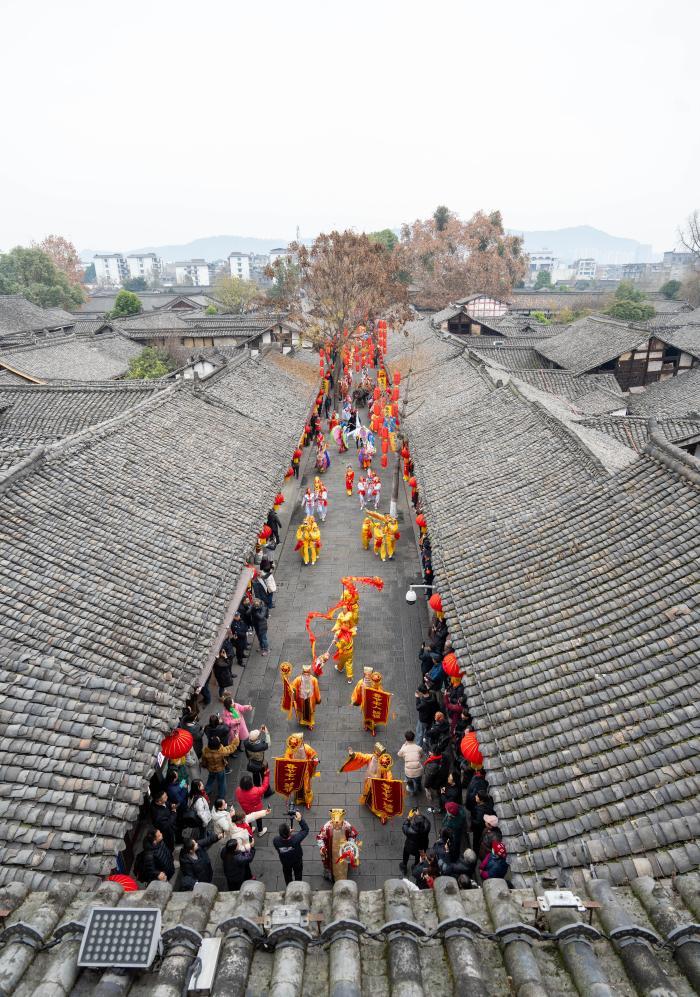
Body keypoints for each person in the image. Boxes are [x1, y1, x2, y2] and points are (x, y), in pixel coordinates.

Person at [316, 808, 359, 882]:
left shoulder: (347, 826)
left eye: (339, 823)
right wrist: (322, 847)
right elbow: (320, 838)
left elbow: (352, 835)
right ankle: (330, 874)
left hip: (343, 849)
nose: (337, 825)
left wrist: (350, 846)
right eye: (335, 823)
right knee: (330, 863)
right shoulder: (327, 827)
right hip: (331, 850)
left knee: (343, 863)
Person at [282, 732, 320, 809]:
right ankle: (298, 799)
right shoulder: (291, 748)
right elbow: (287, 756)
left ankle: (308, 801)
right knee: (297, 785)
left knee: (307, 786)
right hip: (295, 770)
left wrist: (314, 760)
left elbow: (313, 755)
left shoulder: (306, 747)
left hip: (305, 770)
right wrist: (290, 761)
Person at [273, 811, 310, 884]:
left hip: (285, 861)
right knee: (298, 873)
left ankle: (289, 885)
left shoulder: (276, 841)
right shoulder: (296, 839)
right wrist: (300, 820)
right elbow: (305, 830)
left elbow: (283, 841)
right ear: (289, 832)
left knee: (287, 874)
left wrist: (289, 834)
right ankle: (298, 885)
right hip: (297, 860)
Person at [201, 734, 239, 800]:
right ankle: (221, 796)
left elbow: (204, 761)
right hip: (220, 770)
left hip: (211, 769)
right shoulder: (221, 751)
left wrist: (205, 765)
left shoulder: (205, 751)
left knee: (210, 779)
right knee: (222, 782)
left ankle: (206, 791)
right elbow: (231, 748)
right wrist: (236, 739)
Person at [235, 769, 271, 835]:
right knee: (258, 818)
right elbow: (265, 786)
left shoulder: (238, 790)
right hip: (256, 809)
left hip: (246, 809)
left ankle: (250, 828)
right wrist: (266, 776)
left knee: (247, 818)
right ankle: (260, 831)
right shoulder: (256, 791)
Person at [290, 663, 322, 730]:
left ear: (309, 672)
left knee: (310, 713)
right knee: (300, 711)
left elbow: (316, 690)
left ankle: (309, 724)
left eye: (307, 673)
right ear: (303, 672)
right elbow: (293, 687)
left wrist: (318, 698)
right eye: (305, 672)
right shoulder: (298, 679)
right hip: (300, 700)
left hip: (310, 700)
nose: (306, 674)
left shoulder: (314, 680)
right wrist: (292, 691)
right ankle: (301, 720)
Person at [399, 808, 430, 874]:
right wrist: (419, 816)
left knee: (406, 854)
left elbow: (404, 827)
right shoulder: (427, 827)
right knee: (418, 856)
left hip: (410, 847)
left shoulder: (410, 831)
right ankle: (416, 866)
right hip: (422, 846)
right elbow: (426, 821)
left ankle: (404, 866)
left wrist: (409, 818)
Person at [397, 730, 424, 796]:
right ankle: (419, 787)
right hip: (418, 771)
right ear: (414, 738)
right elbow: (421, 755)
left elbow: (399, 754)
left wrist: (403, 745)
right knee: (418, 781)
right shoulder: (418, 748)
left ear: (406, 738)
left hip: (409, 772)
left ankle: (412, 791)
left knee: (410, 782)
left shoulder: (404, 749)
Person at [415, 683, 439, 749]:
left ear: (421, 693)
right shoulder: (432, 694)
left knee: (420, 732)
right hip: (430, 718)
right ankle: (426, 740)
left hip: (423, 719)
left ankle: (418, 747)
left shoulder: (423, 703)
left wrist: (417, 698)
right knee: (427, 730)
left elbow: (418, 707)